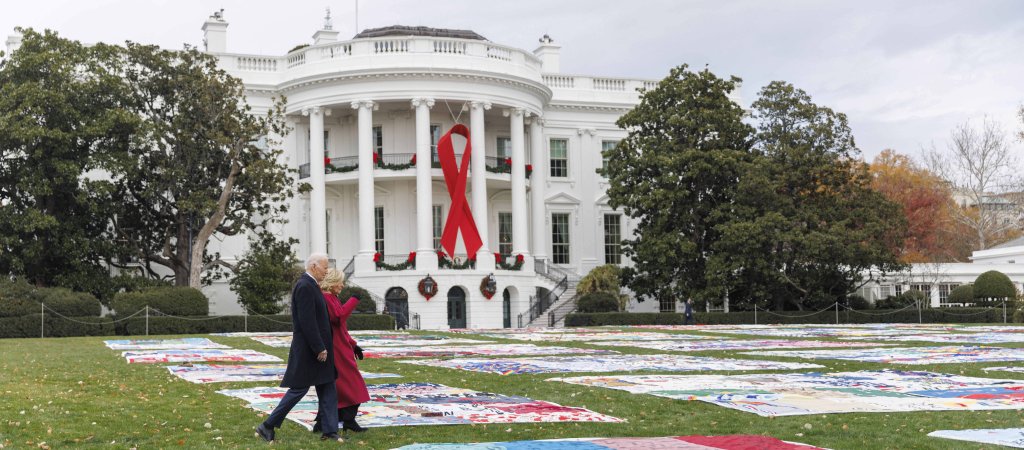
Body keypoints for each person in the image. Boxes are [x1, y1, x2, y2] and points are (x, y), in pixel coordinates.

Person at [256, 253, 343, 443]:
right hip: (310, 350)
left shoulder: (312, 285)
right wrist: (319, 347)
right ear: (313, 266)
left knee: (328, 386)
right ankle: (267, 425)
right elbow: (307, 321)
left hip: (319, 348)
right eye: (325, 267)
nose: (327, 271)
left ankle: (330, 431)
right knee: (299, 389)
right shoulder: (305, 286)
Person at [314, 269, 371, 434]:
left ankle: (339, 420)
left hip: (341, 348)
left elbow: (342, 329)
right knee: (352, 386)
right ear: (333, 283)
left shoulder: (332, 297)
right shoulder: (326, 298)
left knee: (343, 386)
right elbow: (338, 318)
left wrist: (354, 345)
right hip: (336, 350)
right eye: (341, 282)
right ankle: (346, 420)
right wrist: (354, 300)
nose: (343, 285)